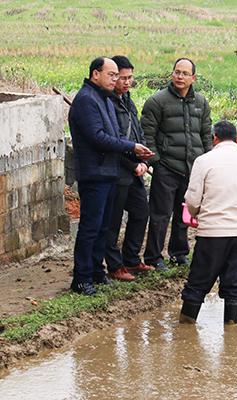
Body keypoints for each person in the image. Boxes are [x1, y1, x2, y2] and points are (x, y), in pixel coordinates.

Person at [69, 57, 154, 295]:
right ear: (96, 74)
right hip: (94, 173)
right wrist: (131, 148)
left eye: (118, 75)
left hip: (109, 172)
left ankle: (97, 272)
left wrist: (135, 152)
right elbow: (97, 137)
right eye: (112, 75)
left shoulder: (105, 98)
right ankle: (82, 278)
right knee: (90, 227)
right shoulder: (86, 99)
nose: (116, 80)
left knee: (103, 227)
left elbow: (115, 133)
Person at [179, 121, 237, 325]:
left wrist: (195, 214)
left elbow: (193, 201)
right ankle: (231, 330)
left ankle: (186, 326)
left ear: (214, 138)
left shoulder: (204, 161)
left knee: (197, 284)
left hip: (213, 234)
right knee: (234, 286)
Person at [141, 58, 212, 270]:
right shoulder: (157, 101)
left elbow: (206, 135)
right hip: (167, 168)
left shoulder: (200, 103)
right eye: (177, 72)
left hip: (192, 169)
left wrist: (207, 161)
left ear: (193, 78)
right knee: (160, 216)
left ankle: (179, 253)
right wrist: (156, 163)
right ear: (172, 74)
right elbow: (147, 135)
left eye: (184, 73)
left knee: (185, 214)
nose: (180, 77)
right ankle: (154, 257)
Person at [104, 55, 155, 282]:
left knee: (141, 212)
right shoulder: (107, 104)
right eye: (122, 78)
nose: (127, 82)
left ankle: (131, 259)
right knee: (112, 221)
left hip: (135, 169)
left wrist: (145, 162)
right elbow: (111, 143)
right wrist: (133, 163)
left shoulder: (128, 101)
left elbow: (138, 134)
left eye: (130, 77)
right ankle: (115, 266)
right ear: (113, 77)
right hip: (117, 170)